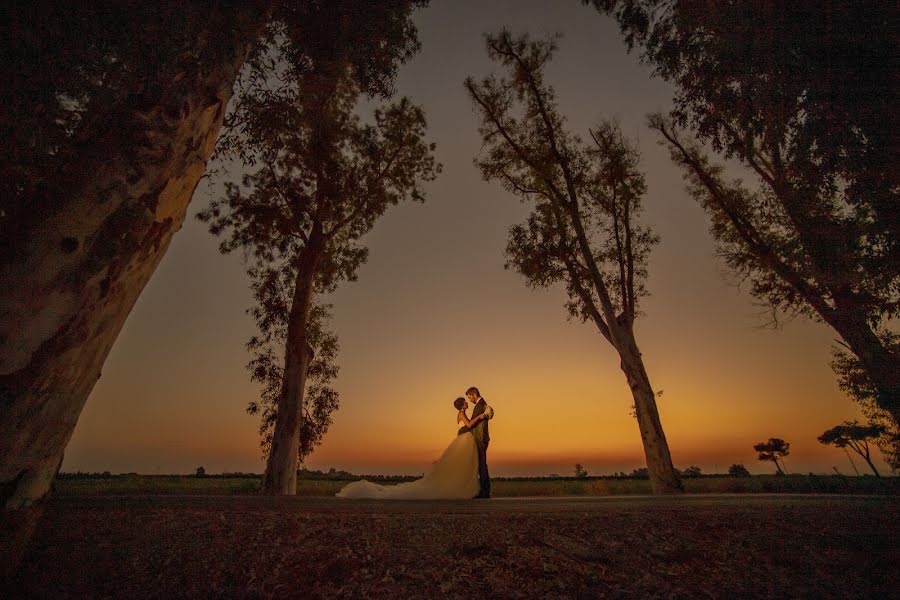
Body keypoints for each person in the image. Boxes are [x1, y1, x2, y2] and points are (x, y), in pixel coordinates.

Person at [335, 397, 486, 499]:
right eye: (465, 402)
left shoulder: (462, 413)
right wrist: (481, 417)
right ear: (461, 406)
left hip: (465, 441)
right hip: (463, 441)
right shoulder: (461, 414)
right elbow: (469, 425)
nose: (467, 403)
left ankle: (461, 486)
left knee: (460, 467)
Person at [459, 386, 491, 498]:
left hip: (480, 438)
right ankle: (483, 491)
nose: (469, 400)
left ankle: (484, 492)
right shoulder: (482, 403)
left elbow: (471, 425)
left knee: (481, 464)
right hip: (482, 437)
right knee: (480, 464)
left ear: (474, 395)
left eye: (469, 397)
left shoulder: (479, 405)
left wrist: (461, 431)